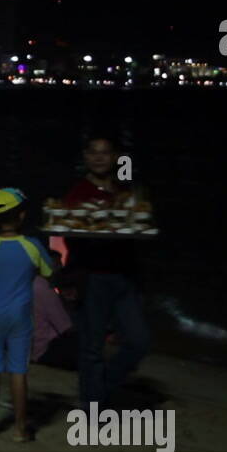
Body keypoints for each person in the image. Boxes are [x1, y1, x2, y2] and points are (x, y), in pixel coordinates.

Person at [64, 134, 150, 409]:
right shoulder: (76, 194)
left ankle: (101, 388)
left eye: (105, 152)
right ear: (86, 157)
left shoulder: (125, 192)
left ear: (115, 158)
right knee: (91, 348)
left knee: (138, 341)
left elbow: (139, 227)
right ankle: (92, 407)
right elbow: (68, 236)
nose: (99, 157)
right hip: (92, 277)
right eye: (93, 152)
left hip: (125, 277)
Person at [0, 188, 54, 442]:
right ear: (22, 216)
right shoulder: (32, 246)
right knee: (18, 371)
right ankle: (19, 430)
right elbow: (49, 272)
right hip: (20, 316)